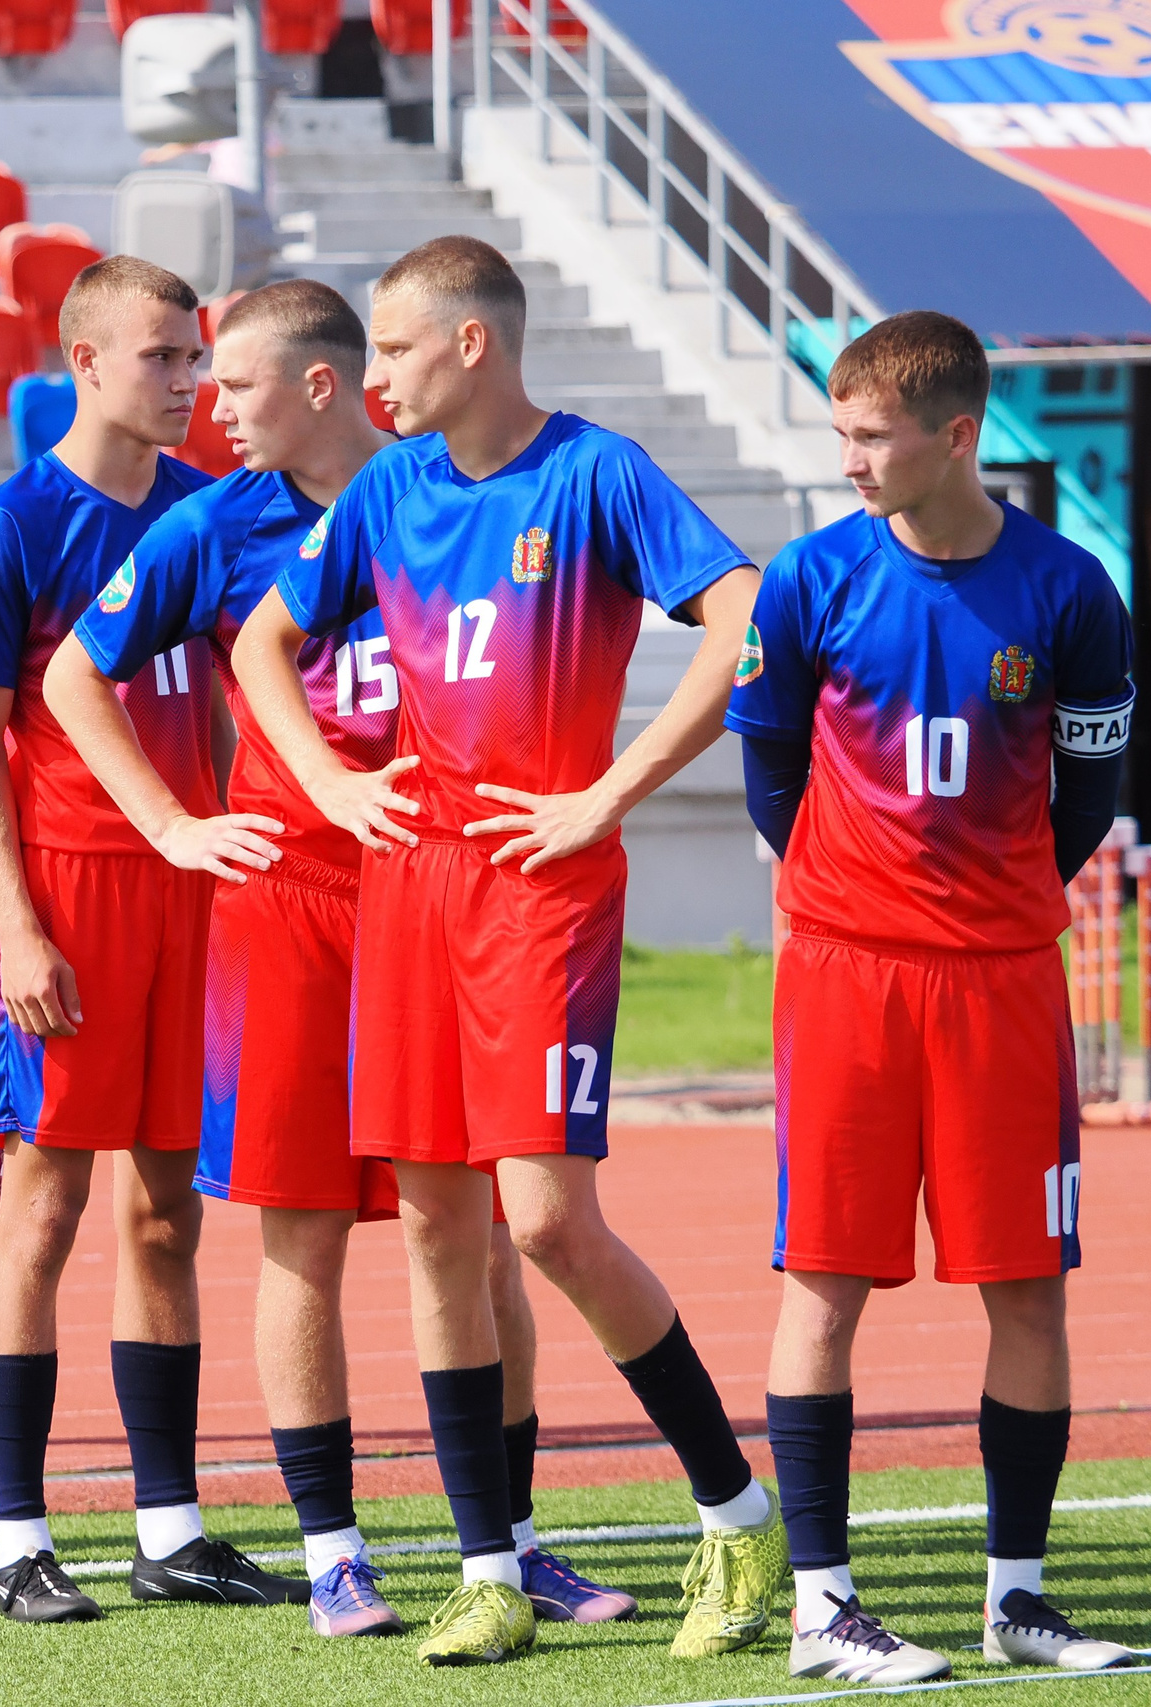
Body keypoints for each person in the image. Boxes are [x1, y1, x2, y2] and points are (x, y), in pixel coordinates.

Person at [51, 280, 638, 1639]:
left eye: (238, 386)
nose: (213, 408)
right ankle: (332, 1551)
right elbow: (76, 674)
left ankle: (514, 1540)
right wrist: (172, 823)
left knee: (487, 1232)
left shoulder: (439, 486)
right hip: (293, 912)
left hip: (449, 897)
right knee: (301, 1234)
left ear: (321, 386)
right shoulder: (212, 524)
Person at [232, 236, 778, 1667]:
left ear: (470, 346)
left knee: (544, 1219)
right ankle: (488, 1566)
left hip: (541, 888)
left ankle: (736, 1507)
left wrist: (612, 788)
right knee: (435, 1224)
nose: (381, 382)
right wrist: (334, 787)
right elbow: (259, 647)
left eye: (399, 354)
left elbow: (744, 618)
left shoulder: (596, 472)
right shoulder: (390, 488)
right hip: (410, 889)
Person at [730, 311, 1135, 1683]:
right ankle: (824, 1604)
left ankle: (1019, 1597)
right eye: (837, 431)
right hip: (847, 977)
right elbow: (773, 780)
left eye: (868, 435)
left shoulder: (1071, 590)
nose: (845, 459)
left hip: (1009, 981)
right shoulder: (808, 579)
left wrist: (996, 898)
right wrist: (864, 901)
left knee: (1028, 1288)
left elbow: (1089, 791)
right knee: (826, 1281)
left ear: (956, 435)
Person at [0, 255, 302, 1623]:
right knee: (40, 1204)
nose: (191, 381)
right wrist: (18, 925)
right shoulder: (13, 522)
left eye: (197, 357)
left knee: (170, 1207)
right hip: (74, 899)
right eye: (163, 357)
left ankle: (171, 1523)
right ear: (85, 361)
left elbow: (218, 702)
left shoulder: (209, 513)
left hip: (187, 893)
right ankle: (22, 1532)